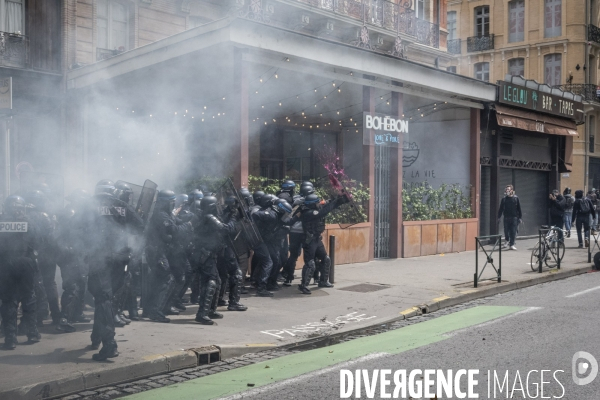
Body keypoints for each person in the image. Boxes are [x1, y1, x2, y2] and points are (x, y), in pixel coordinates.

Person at [0, 195, 41, 349]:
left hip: (5, 264)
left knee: (8, 300)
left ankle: (10, 339)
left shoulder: (1, 222)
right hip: (25, 263)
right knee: (29, 297)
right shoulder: (29, 222)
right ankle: (32, 333)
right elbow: (38, 241)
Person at [298, 193, 348, 294]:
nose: (318, 204)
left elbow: (326, 206)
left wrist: (339, 200)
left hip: (317, 239)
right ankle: (304, 285)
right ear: (312, 204)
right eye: (316, 203)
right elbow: (323, 212)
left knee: (326, 259)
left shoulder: (315, 209)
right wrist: (335, 203)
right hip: (309, 240)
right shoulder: (308, 212)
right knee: (310, 264)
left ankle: (323, 281)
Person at [497, 184, 522, 251]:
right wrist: (499, 217)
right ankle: (507, 240)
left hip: (514, 217)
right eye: (506, 189)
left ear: (512, 191)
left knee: (513, 231)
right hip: (506, 217)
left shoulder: (516, 198)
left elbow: (519, 208)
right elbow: (501, 209)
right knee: (506, 231)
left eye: (508, 189)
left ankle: (512, 244)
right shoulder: (504, 199)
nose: (507, 190)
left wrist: (520, 218)